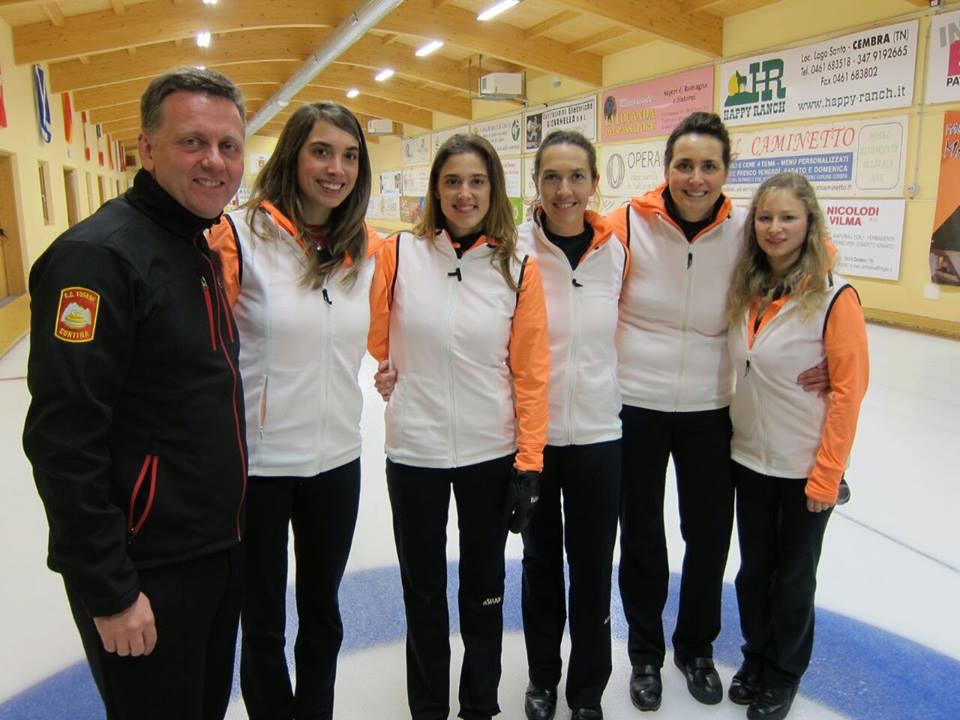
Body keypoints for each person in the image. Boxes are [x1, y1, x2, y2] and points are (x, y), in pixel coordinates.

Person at [22, 67, 247, 720]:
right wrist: (110, 590)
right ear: (146, 150)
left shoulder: (192, 247)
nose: (215, 162)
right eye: (192, 142)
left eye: (229, 146)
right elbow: (64, 440)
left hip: (211, 550)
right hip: (147, 569)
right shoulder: (98, 259)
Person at [607, 112, 828, 712]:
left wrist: (832, 351)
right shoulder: (628, 221)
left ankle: (695, 648)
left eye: (709, 166)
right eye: (684, 165)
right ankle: (646, 654)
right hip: (636, 405)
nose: (696, 178)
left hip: (712, 407)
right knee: (644, 537)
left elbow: (817, 272)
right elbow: (568, 277)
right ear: (667, 169)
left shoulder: (744, 231)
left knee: (707, 537)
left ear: (727, 173)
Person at [207, 102, 388, 720]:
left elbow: (397, 323)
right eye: (321, 151)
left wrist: (398, 363)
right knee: (261, 624)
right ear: (292, 155)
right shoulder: (238, 237)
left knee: (323, 615)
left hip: (336, 459)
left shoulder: (365, 248)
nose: (336, 168)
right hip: (258, 466)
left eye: (349, 155)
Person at [377, 133, 550, 720]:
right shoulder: (399, 255)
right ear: (435, 190)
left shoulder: (517, 267)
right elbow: (372, 331)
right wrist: (388, 366)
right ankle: (428, 706)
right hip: (416, 450)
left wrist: (529, 463)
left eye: (477, 181)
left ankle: (480, 704)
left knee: (483, 592)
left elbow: (530, 372)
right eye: (452, 180)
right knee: (422, 592)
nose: (464, 192)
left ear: (494, 190)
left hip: (489, 451)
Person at [724, 172, 868, 720]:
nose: (775, 228)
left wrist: (828, 473)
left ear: (809, 222)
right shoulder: (749, 286)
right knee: (754, 573)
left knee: (792, 579)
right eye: (765, 217)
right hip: (749, 458)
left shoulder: (834, 295)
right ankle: (755, 658)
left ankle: (783, 675)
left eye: (788, 217)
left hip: (805, 465)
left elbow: (849, 390)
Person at [515, 130, 628, 720]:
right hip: (534, 439)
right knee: (540, 565)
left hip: (599, 438)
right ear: (536, 184)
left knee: (591, 566)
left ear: (593, 182)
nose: (564, 190)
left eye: (576, 177)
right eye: (552, 177)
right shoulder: (514, 250)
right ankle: (541, 677)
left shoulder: (617, 250)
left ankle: (587, 690)